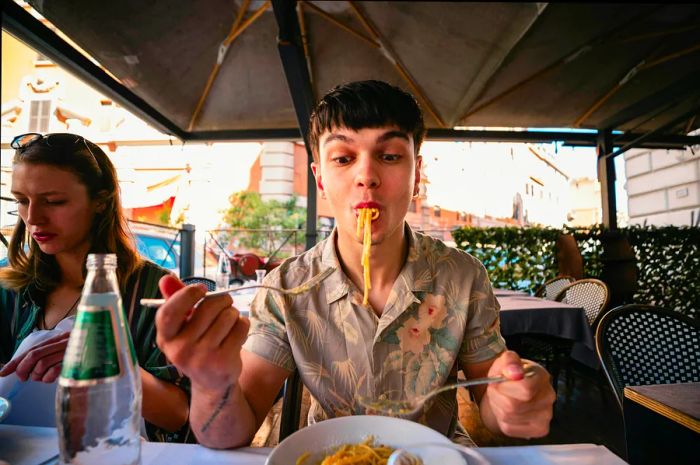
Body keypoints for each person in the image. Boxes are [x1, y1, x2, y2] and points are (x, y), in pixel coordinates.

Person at [154, 80, 556, 448]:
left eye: (390, 155)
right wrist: (212, 384)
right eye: (344, 158)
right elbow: (229, 433)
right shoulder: (287, 287)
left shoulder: (462, 276)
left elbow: (492, 396)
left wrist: (513, 401)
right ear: (321, 180)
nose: (367, 175)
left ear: (417, 175)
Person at [0, 133, 191, 442]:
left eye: (54, 202)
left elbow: (180, 415)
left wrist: (109, 362)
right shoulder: (12, 288)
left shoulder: (152, 291)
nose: (33, 217)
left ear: (100, 201)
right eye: (22, 201)